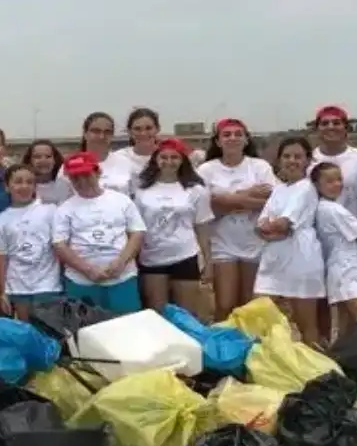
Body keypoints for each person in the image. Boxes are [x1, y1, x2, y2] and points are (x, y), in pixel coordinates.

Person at [197, 118, 276, 317]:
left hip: (254, 242)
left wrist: (227, 201)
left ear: (246, 140)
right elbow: (205, 206)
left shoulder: (260, 167)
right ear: (217, 141)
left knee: (249, 306)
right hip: (222, 243)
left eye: (238, 134)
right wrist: (247, 194)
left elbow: (271, 201)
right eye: (227, 134)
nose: (233, 138)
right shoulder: (206, 170)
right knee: (225, 303)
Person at [52, 151, 147, 312]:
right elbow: (60, 245)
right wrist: (88, 270)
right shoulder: (64, 209)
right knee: (87, 331)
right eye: (75, 178)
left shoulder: (121, 200)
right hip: (81, 281)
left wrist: (121, 262)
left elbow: (137, 232)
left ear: (98, 172)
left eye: (86, 175)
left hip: (122, 278)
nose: (82, 181)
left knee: (127, 327)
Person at [253, 136, 327, 344]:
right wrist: (273, 228)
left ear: (307, 161)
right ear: (278, 160)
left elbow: (283, 223)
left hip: (301, 260)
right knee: (262, 317)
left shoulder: (306, 188)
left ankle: (315, 367)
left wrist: (274, 227)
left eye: (298, 156)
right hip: (274, 259)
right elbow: (260, 226)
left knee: (306, 324)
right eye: (287, 156)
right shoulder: (278, 189)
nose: (292, 161)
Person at [133, 139, 213, 316]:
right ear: (155, 159)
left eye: (174, 157)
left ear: (183, 160)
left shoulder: (196, 190)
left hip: (185, 255)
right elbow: (137, 228)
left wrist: (208, 262)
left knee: (186, 315)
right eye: (164, 157)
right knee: (157, 315)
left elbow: (202, 227)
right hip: (152, 258)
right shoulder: (142, 190)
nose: (169, 162)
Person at [309, 163, 357, 332]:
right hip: (349, 270)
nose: (337, 184)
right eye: (329, 181)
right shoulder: (334, 210)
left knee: (347, 328)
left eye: (339, 179)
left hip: (338, 270)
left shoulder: (321, 208)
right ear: (317, 185)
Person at [0, 164, 63, 319]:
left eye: (29, 182)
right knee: (26, 331)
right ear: (7, 187)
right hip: (17, 286)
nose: (24, 186)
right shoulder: (1, 219)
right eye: (18, 182)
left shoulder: (50, 211)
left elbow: (60, 246)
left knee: (48, 331)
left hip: (48, 284)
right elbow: (2, 257)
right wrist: (3, 291)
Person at [309, 106, 357, 220]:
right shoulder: (307, 162)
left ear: (346, 128)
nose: (330, 127)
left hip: (355, 232)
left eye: (336, 123)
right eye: (324, 123)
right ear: (317, 129)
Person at [100, 108, 160, 197]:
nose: (143, 133)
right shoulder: (117, 157)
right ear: (129, 132)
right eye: (137, 129)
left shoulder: (168, 157)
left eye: (148, 128)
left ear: (157, 129)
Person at [23, 140, 73, 205]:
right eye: (37, 157)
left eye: (48, 156)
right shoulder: (24, 187)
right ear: (29, 161)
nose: (43, 160)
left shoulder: (67, 185)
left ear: (55, 160)